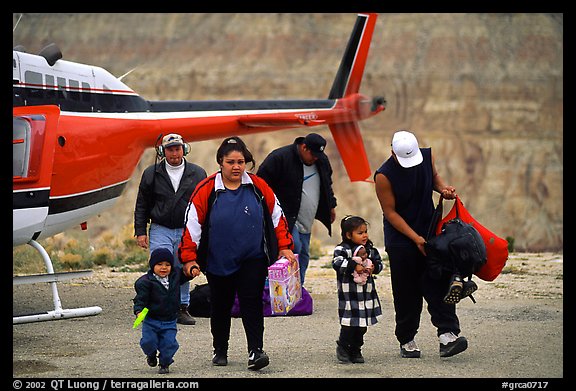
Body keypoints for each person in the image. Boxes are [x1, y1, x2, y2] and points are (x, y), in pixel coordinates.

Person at [178, 136, 295, 371]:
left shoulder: (258, 186)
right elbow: (192, 225)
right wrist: (189, 258)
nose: (236, 167)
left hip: (253, 257)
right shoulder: (207, 189)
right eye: (231, 162)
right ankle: (220, 349)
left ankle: (256, 351)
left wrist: (284, 246)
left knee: (251, 303)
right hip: (218, 260)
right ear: (220, 161)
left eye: (240, 162)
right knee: (221, 305)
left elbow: (277, 217)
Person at [374, 130, 468, 358]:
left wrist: (443, 189)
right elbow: (390, 212)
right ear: (392, 152)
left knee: (439, 282)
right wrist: (414, 238)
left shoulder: (427, 157)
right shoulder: (383, 176)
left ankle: (448, 335)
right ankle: (406, 339)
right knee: (407, 291)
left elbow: (434, 177)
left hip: (430, 231)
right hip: (401, 240)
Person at [134, 133, 207, 325]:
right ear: (162, 151)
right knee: (160, 265)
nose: (174, 153)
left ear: (184, 149)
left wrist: (205, 231)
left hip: (188, 229)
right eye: (170, 149)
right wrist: (140, 231)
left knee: (183, 267)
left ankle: (182, 307)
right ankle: (158, 306)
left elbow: (205, 204)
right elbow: (142, 203)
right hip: (161, 227)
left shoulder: (198, 173)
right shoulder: (151, 173)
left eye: (177, 148)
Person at [257, 133, 337, 285]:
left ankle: (297, 290)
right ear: (304, 147)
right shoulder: (280, 158)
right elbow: (260, 185)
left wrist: (331, 205)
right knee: (294, 249)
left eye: (318, 155)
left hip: (306, 219)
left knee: (304, 253)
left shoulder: (321, 161)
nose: (315, 158)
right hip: (285, 217)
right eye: (312, 154)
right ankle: (283, 290)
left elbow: (327, 184)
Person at [133, 247, 193, 374]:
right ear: (152, 265)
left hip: (170, 320)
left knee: (169, 344)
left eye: (167, 264)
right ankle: (151, 354)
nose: (164, 268)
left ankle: (165, 363)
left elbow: (186, 275)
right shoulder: (145, 282)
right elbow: (140, 299)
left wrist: (192, 271)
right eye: (159, 264)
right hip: (151, 320)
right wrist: (139, 311)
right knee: (149, 342)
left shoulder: (175, 276)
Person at [332, 215, 383, 364]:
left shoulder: (370, 250)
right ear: (348, 235)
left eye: (365, 231)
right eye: (360, 233)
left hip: (366, 295)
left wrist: (374, 267)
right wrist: (354, 266)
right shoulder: (343, 249)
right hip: (349, 295)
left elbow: (379, 264)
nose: (365, 235)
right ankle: (343, 347)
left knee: (362, 326)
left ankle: (356, 349)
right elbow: (337, 263)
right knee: (348, 324)